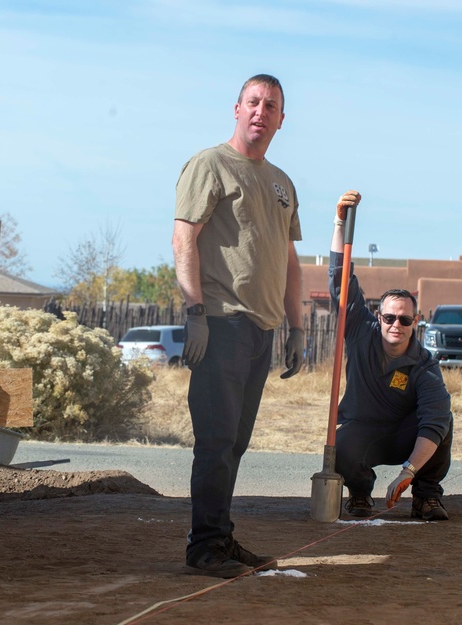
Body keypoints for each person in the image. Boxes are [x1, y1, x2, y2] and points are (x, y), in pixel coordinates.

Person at [172, 74, 305, 578]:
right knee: (216, 438)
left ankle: (220, 538)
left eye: (271, 105)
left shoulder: (281, 182)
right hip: (221, 323)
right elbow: (184, 238)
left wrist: (296, 327)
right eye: (253, 102)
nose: (260, 111)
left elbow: (289, 260)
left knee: (237, 443)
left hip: (262, 330)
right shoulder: (210, 164)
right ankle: (204, 548)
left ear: (280, 119)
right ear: (236, 108)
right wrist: (194, 313)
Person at [328, 190, 454, 521]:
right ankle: (359, 494)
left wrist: (408, 471)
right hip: (363, 431)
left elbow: (435, 419)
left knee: (443, 424)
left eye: (404, 319)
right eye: (389, 317)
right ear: (378, 316)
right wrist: (340, 222)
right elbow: (340, 280)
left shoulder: (424, 365)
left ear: (414, 323)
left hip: (403, 437)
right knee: (340, 445)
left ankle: (426, 496)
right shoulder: (359, 332)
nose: (395, 324)